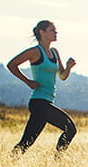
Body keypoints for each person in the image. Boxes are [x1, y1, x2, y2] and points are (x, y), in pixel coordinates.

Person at [7, 20, 78, 154]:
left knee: (27, 141)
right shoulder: (35, 52)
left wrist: (68, 67)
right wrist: (28, 81)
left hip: (47, 101)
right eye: (53, 30)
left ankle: (8, 162)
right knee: (70, 128)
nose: (56, 33)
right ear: (42, 32)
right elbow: (11, 65)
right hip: (39, 102)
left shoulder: (55, 52)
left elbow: (62, 76)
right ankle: (58, 161)